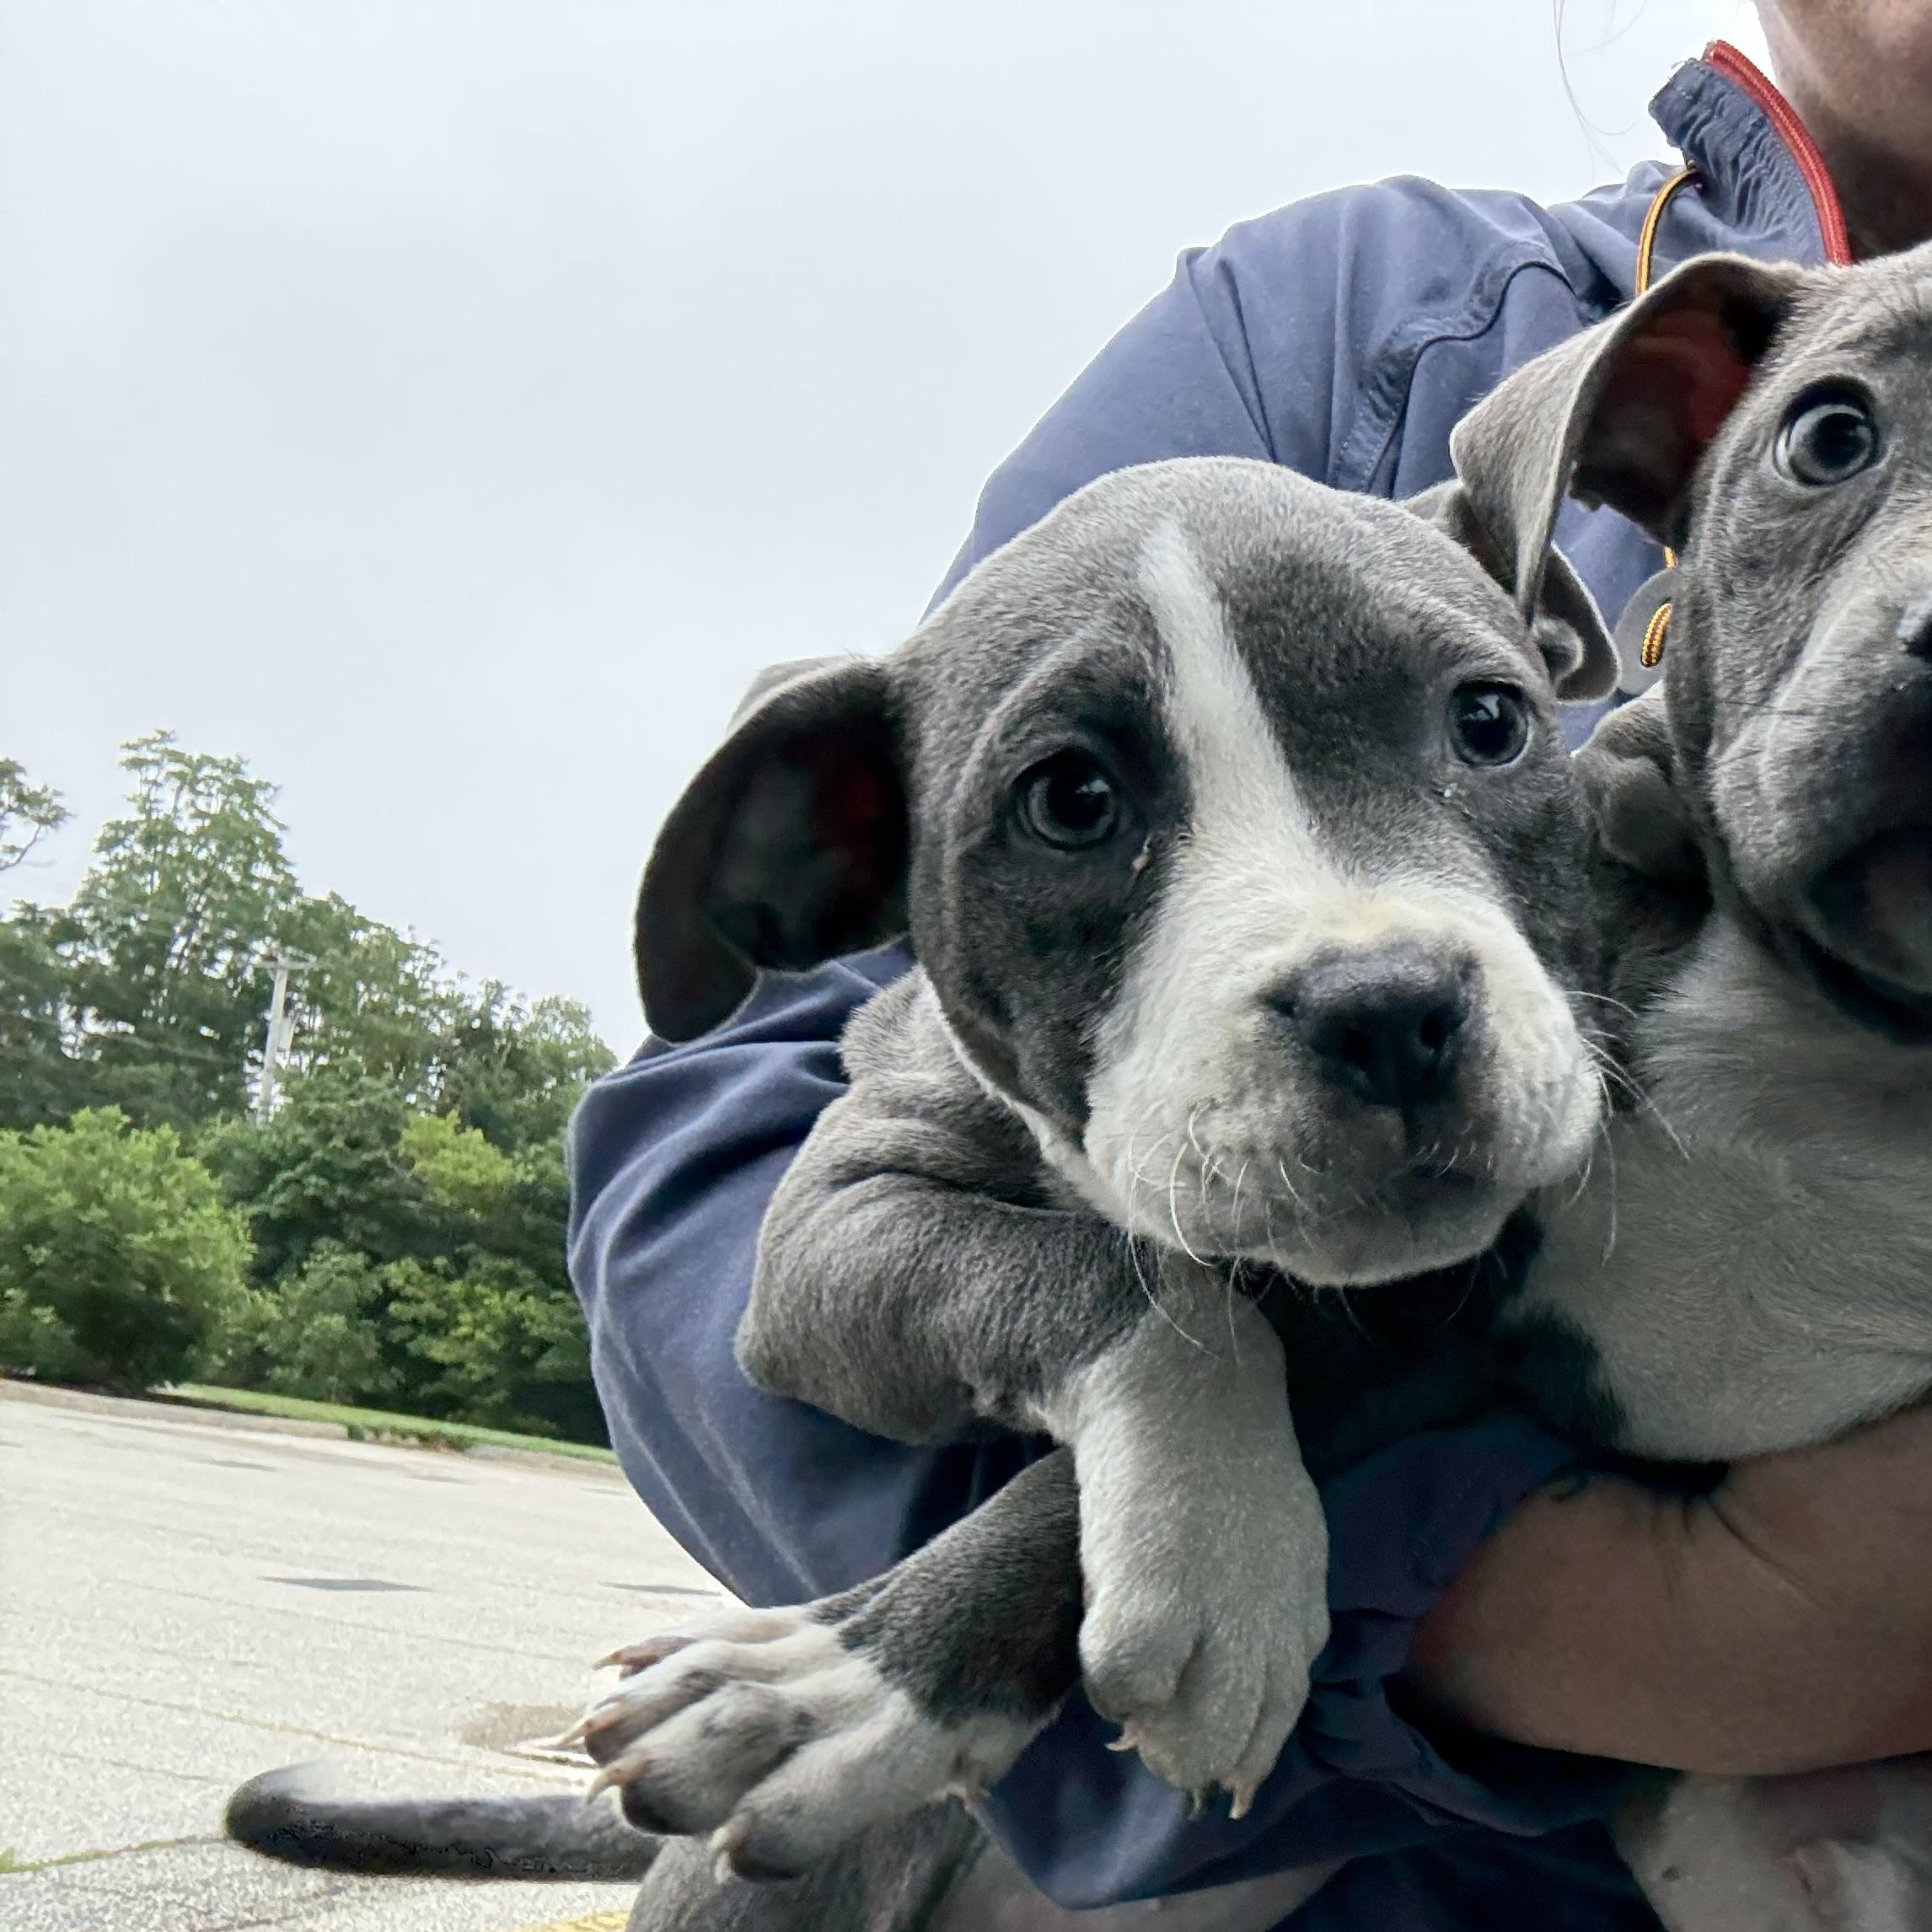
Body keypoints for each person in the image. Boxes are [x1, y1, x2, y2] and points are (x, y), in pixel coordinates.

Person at [568, 11, 1932, 1928]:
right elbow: (715, 1176)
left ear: (1549, 669)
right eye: (1070, 801)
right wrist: (1576, 1617)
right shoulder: (1371, 325)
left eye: (1481, 732)